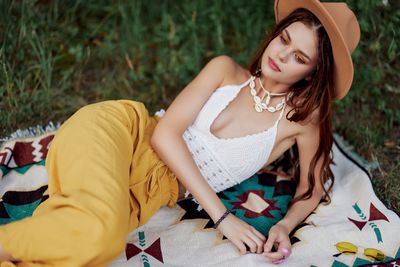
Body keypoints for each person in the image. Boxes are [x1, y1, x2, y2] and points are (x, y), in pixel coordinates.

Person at [0, 0, 360, 266]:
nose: (282, 55)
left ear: (313, 73)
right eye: (283, 39)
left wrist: (284, 225)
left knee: (93, 241)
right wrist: (223, 218)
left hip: (151, 190)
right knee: (94, 229)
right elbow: (164, 135)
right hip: (122, 133)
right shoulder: (224, 70)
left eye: (300, 57)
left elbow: (310, 189)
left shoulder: (300, 120)